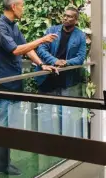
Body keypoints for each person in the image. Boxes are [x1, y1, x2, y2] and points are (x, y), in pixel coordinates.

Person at [0, 0, 58, 178]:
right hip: (2, 85)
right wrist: (42, 40)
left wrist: (41, 64)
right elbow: (15, 50)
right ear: (14, 7)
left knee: (7, 128)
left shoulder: (13, 27)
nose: (23, 9)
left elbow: (26, 47)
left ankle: (3, 164)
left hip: (14, 85)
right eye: (22, 6)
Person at [35, 7, 87, 137]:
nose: (65, 18)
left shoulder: (80, 35)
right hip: (47, 78)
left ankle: (62, 140)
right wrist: (55, 60)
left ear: (76, 20)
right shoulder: (52, 31)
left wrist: (66, 62)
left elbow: (81, 58)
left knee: (63, 113)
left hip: (65, 80)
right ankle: (47, 140)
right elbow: (41, 49)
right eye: (64, 15)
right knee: (45, 113)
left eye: (69, 16)